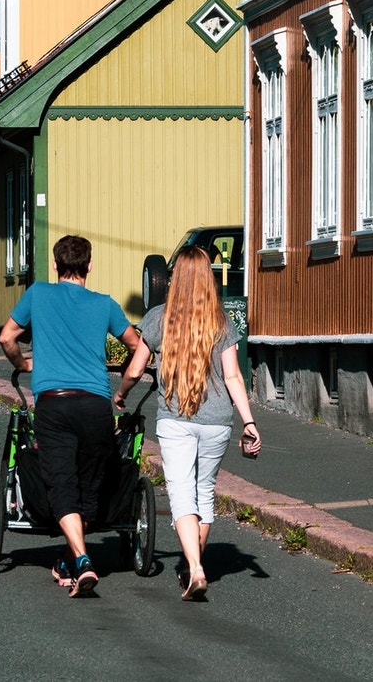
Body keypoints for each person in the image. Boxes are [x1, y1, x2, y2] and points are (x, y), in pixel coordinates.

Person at [115, 245, 259, 601]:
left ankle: (195, 568)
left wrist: (121, 394)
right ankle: (191, 563)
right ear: (208, 277)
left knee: (181, 492)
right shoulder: (220, 320)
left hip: (176, 420)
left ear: (175, 277)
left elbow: (135, 368)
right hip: (217, 422)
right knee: (204, 492)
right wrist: (250, 422)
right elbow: (233, 377)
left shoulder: (158, 318)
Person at [0, 234, 139, 597]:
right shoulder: (104, 304)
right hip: (95, 404)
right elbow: (137, 346)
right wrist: (123, 381)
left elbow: (6, 337)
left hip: (55, 403)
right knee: (90, 485)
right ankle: (73, 557)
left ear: (56, 265)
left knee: (61, 480)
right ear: (89, 266)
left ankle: (82, 560)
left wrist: (24, 363)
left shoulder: (38, 295)